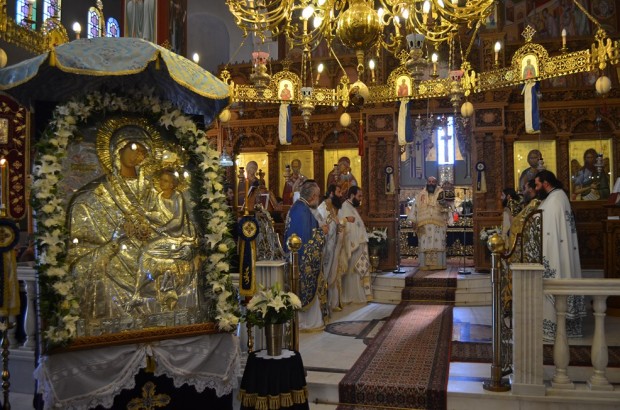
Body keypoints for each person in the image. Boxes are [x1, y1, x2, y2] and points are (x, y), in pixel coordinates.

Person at [67, 125, 200, 323]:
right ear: (117, 150)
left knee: (186, 262)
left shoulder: (157, 190)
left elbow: (180, 224)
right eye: (133, 148)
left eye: (143, 150)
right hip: (117, 260)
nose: (138, 154)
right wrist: (117, 238)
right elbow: (80, 252)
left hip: (156, 254)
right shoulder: (93, 196)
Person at [534, 170, 586, 342]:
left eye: (537, 185)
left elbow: (547, 231)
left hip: (554, 253)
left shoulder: (554, 200)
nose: (536, 188)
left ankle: (554, 328)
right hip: (561, 252)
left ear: (546, 183)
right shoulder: (558, 197)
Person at [283, 180, 327, 331]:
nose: (318, 199)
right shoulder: (303, 212)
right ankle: (306, 323)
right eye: (318, 196)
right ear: (313, 196)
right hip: (301, 261)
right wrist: (322, 232)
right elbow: (308, 241)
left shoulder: (297, 207)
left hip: (294, 259)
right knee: (303, 289)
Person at [315, 184, 353, 312]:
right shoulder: (323, 208)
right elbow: (327, 227)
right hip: (326, 248)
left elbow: (335, 223)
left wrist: (340, 222)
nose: (341, 195)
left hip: (333, 248)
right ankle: (323, 304)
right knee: (325, 274)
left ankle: (332, 303)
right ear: (331, 193)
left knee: (333, 273)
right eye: (339, 192)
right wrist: (344, 220)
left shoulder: (333, 207)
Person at [407, 176, 451, 271]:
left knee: (438, 244)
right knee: (424, 244)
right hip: (424, 224)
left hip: (438, 223)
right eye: (429, 181)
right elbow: (415, 207)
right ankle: (424, 265)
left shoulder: (442, 194)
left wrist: (446, 206)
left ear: (436, 183)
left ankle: (439, 265)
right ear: (427, 183)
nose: (431, 183)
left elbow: (449, 207)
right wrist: (413, 220)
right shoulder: (420, 195)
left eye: (433, 182)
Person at [338, 186, 371, 304]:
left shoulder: (351, 207)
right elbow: (346, 228)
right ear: (352, 195)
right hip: (353, 246)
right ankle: (352, 296)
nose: (361, 199)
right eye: (359, 196)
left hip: (359, 245)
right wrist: (354, 244)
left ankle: (359, 294)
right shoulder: (345, 207)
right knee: (353, 272)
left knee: (359, 270)